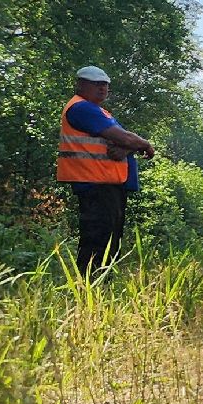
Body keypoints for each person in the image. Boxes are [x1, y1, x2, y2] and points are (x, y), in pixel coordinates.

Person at [58, 65, 155, 272]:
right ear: (81, 84)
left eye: (105, 85)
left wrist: (127, 149)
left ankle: (101, 288)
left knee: (110, 241)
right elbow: (124, 137)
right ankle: (89, 289)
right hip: (96, 184)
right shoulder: (81, 108)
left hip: (108, 183)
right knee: (97, 241)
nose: (102, 89)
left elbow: (122, 142)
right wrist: (144, 144)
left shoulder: (100, 111)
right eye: (96, 84)